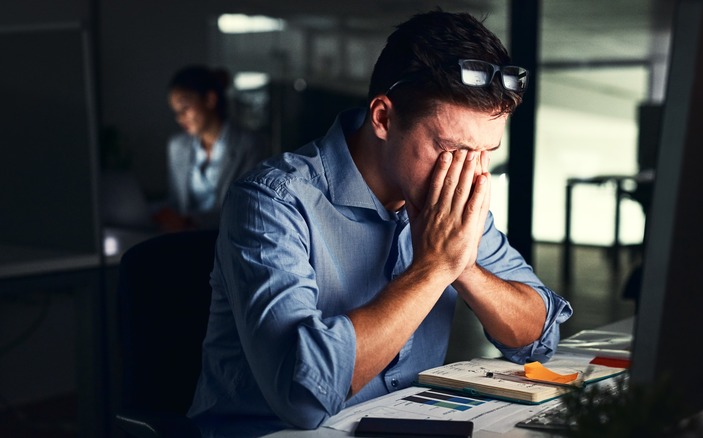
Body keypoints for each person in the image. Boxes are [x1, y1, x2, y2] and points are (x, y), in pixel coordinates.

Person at [188, 10, 572, 436]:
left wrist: (462, 266)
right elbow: (301, 397)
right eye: (453, 150)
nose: (471, 174)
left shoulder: (448, 200)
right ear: (384, 118)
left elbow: (539, 337)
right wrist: (433, 269)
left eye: (487, 152)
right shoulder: (271, 201)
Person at [154, 65, 265, 231]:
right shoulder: (177, 146)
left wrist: (192, 221)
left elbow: (246, 206)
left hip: (229, 238)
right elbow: (176, 201)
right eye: (176, 111)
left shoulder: (248, 144)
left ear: (209, 100)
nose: (179, 118)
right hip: (184, 240)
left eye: (185, 108)